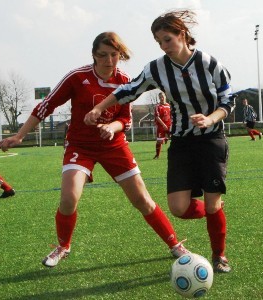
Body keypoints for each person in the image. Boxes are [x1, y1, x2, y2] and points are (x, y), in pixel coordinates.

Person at [0, 32, 189, 268]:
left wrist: (112, 126)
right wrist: (20, 135)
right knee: (69, 198)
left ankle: (175, 244)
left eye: (114, 55)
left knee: (142, 199)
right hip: (81, 146)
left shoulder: (125, 81)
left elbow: (126, 121)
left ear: (120, 55)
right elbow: (46, 105)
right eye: (103, 55)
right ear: (93, 55)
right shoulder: (77, 77)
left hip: (114, 145)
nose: (109, 60)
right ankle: (63, 247)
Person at [85, 10, 233, 273]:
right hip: (182, 143)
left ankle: (219, 255)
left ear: (182, 34)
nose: (164, 46)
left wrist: (210, 119)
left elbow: (226, 102)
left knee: (212, 204)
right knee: (178, 208)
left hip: (211, 140)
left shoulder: (209, 63)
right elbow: (128, 90)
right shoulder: (156, 68)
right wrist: (99, 109)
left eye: (167, 39)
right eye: (159, 42)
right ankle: (215, 210)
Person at [153, 91, 171, 159]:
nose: (161, 98)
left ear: (165, 97)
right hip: (161, 126)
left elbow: (171, 115)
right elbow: (157, 117)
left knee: (175, 138)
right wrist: (163, 125)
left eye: (162, 97)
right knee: (159, 141)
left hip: (169, 125)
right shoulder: (158, 106)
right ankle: (157, 155)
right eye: (160, 97)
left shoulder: (168, 106)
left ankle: (166, 138)